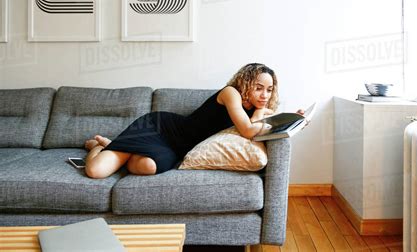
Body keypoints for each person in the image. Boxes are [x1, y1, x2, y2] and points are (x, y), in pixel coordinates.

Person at [84, 63, 303, 179]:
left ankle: (113, 146)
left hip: (177, 149)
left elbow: (273, 124)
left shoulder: (259, 109)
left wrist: (296, 118)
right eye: (259, 88)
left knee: (145, 166)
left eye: (269, 89)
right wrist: (258, 114)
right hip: (160, 129)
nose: (264, 95)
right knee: (96, 172)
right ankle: (97, 147)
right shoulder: (231, 93)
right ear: (246, 84)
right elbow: (248, 130)